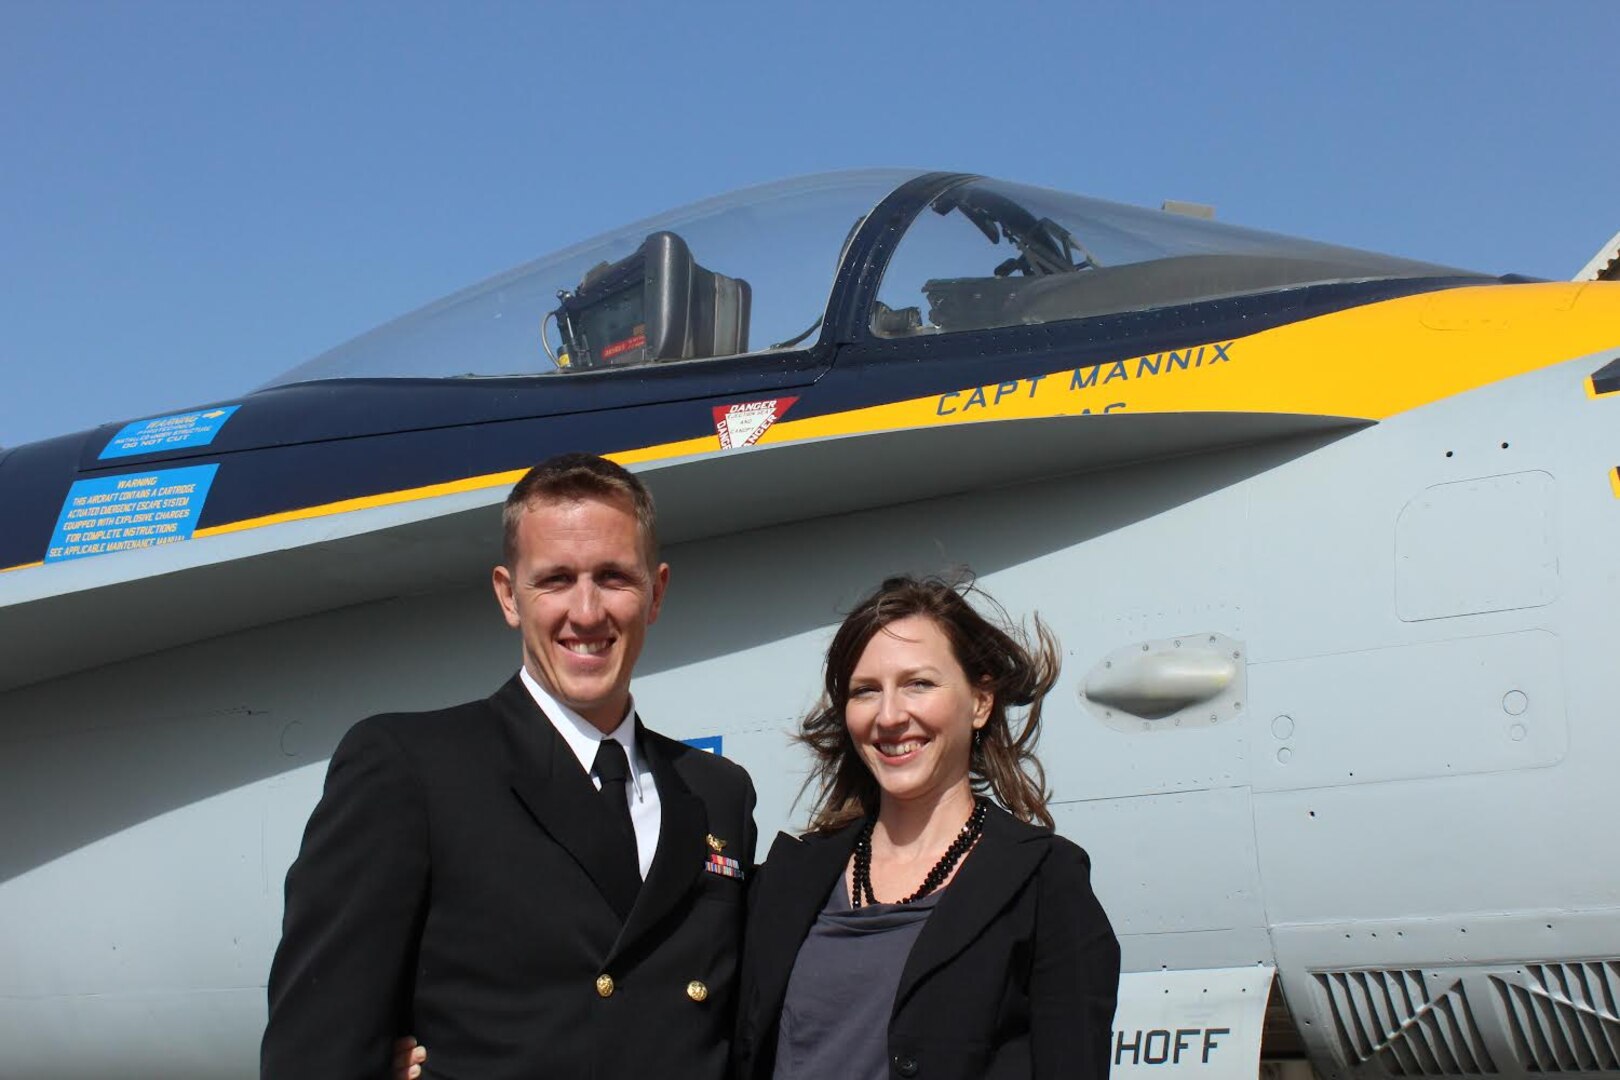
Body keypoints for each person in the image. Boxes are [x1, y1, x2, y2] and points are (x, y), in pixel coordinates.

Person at [262, 453, 756, 1080]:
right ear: (508, 595)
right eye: (555, 580)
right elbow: (315, 1052)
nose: (586, 612)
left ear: (655, 593)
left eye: (613, 577)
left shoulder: (718, 794)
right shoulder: (412, 770)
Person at [733, 575, 1119, 1080]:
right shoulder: (788, 880)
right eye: (866, 691)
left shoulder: (1045, 882)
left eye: (919, 683)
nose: (890, 716)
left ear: (981, 701)